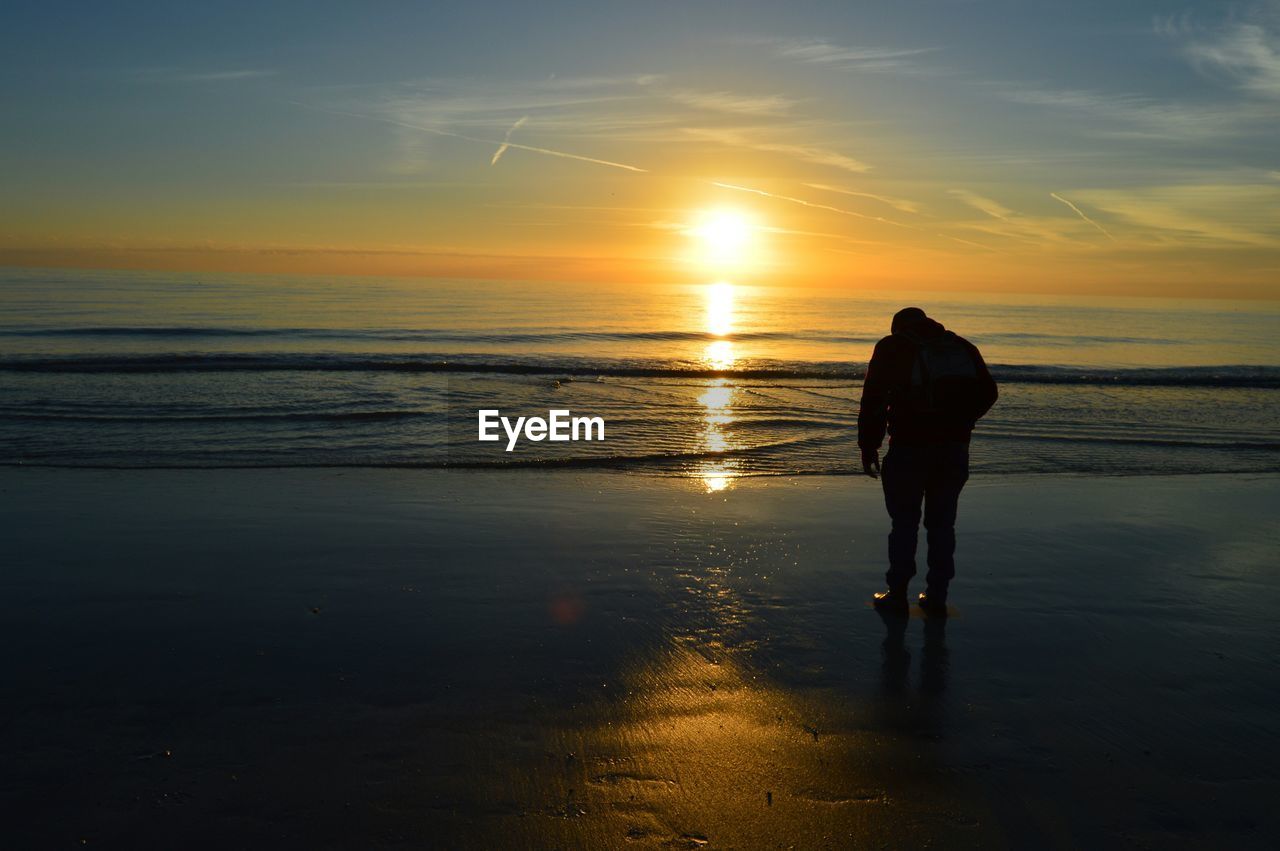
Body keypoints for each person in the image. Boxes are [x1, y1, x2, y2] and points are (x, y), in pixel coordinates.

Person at [858, 307, 998, 616]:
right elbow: (990, 392)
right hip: (954, 450)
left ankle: (897, 595)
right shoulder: (961, 346)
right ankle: (936, 595)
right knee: (942, 524)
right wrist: (963, 422)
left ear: (898, 328)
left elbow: (873, 401)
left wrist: (868, 447)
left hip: (909, 448)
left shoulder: (892, 347)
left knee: (904, 523)